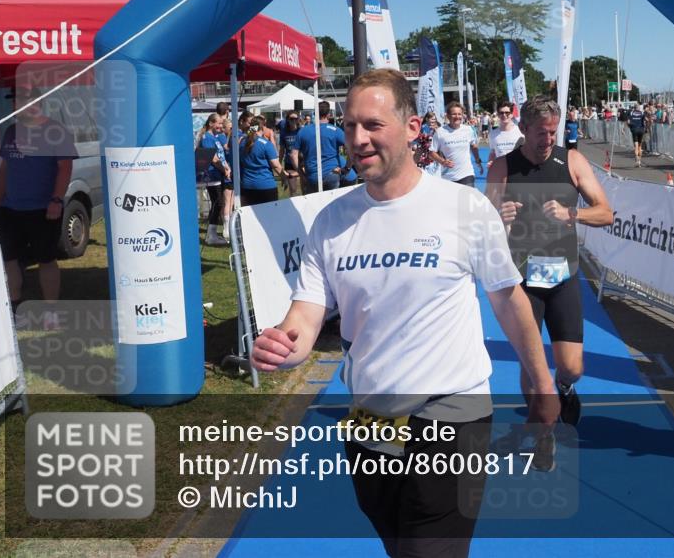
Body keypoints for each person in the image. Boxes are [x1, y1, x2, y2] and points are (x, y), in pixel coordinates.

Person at [251, 69, 558, 555]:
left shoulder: (464, 207)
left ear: (413, 128)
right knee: (396, 540)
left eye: (373, 125)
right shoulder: (331, 221)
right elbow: (305, 316)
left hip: (452, 412)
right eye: (350, 126)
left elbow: (507, 298)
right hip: (369, 419)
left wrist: (542, 384)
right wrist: (282, 347)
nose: (357, 139)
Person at [486, 96, 613, 431]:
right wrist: (499, 217)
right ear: (524, 129)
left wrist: (572, 213)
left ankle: (565, 387)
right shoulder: (503, 168)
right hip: (522, 279)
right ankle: (541, 431)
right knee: (531, 367)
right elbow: (482, 229)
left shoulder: (571, 161)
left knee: (572, 367)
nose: (548, 139)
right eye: (541, 133)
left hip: (562, 276)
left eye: (553, 132)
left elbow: (606, 213)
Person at [0, 85, 77, 306]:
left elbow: (65, 167)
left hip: (43, 209)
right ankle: (15, 306)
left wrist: (56, 200)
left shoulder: (55, 131)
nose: (16, 105)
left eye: (22, 100)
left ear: (38, 103)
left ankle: (51, 309)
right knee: (9, 259)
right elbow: (5, 169)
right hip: (10, 209)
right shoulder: (11, 131)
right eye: (15, 101)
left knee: (46, 260)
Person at [293, 101, 345, 193]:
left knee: (313, 202)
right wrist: (347, 168)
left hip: (312, 176)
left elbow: (293, 155)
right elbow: (351, 148)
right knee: (332, 201)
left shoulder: (303, 131)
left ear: (315, 113)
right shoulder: (336, 130)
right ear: (329, 114)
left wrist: (301, 174)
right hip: (331, 173)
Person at [195, 113, 232, 245]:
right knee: (217, 203)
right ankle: (211, 235)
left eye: (222, 124)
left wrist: (226, 167)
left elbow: (220, 156)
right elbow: (213, 158)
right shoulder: (207, 138)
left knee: (218, 203)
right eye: (219, 123)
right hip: (211, 175)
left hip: (218, 174)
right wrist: (224, 169)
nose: (221, 126)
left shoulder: (214, 137)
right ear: (211, 123)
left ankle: (212, 234)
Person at [429, 102, 485, 187]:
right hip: (448, 176)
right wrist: (442, 161)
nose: (457, 116)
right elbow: (431, 152)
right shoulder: (440, 132)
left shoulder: (468, 130)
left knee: (467, 195)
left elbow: (473, 146)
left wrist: (478, 161)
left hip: (466, 174)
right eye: (454, 114)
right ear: (448, 116)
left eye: (459, 114)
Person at [239, 115, 285, 205]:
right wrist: (284, 177)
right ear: (263, 127)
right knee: (269, 213)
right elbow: (276, 165)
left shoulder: (242, 142)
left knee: (249, 213)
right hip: (265, 186)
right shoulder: (266, 144)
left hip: (247, 186)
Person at [279, 113, 302, 196]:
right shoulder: (284, 133)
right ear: (287, 120)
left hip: (302, 162)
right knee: (293, 189)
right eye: (291, 119)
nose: (294, 121)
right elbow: (282, 150)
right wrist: (279, 163)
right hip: (289, 163)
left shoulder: (301, 131)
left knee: (306, 187)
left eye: (296, 119)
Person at [627, 101, 646, 166]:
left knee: (636, 146)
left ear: (634, 108)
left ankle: (636, 158)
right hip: (641, 130)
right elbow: (644, 121)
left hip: (634, 130)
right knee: (640, 146)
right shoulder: (642, 113)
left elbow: (628, 122)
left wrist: (630, 127)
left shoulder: (631, 113)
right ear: (638, 108)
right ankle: (639, 161)